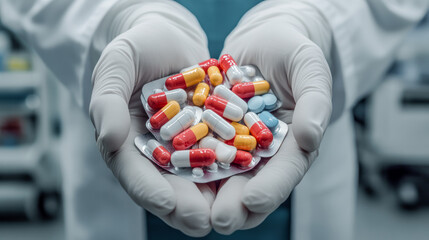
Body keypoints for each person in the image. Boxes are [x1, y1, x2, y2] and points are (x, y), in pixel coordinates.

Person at [1, 0, 428, 239]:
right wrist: (117, 17)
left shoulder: (228, 108)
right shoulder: (190, 112)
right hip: (119, 180)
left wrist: (313, 18)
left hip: (298, 170)